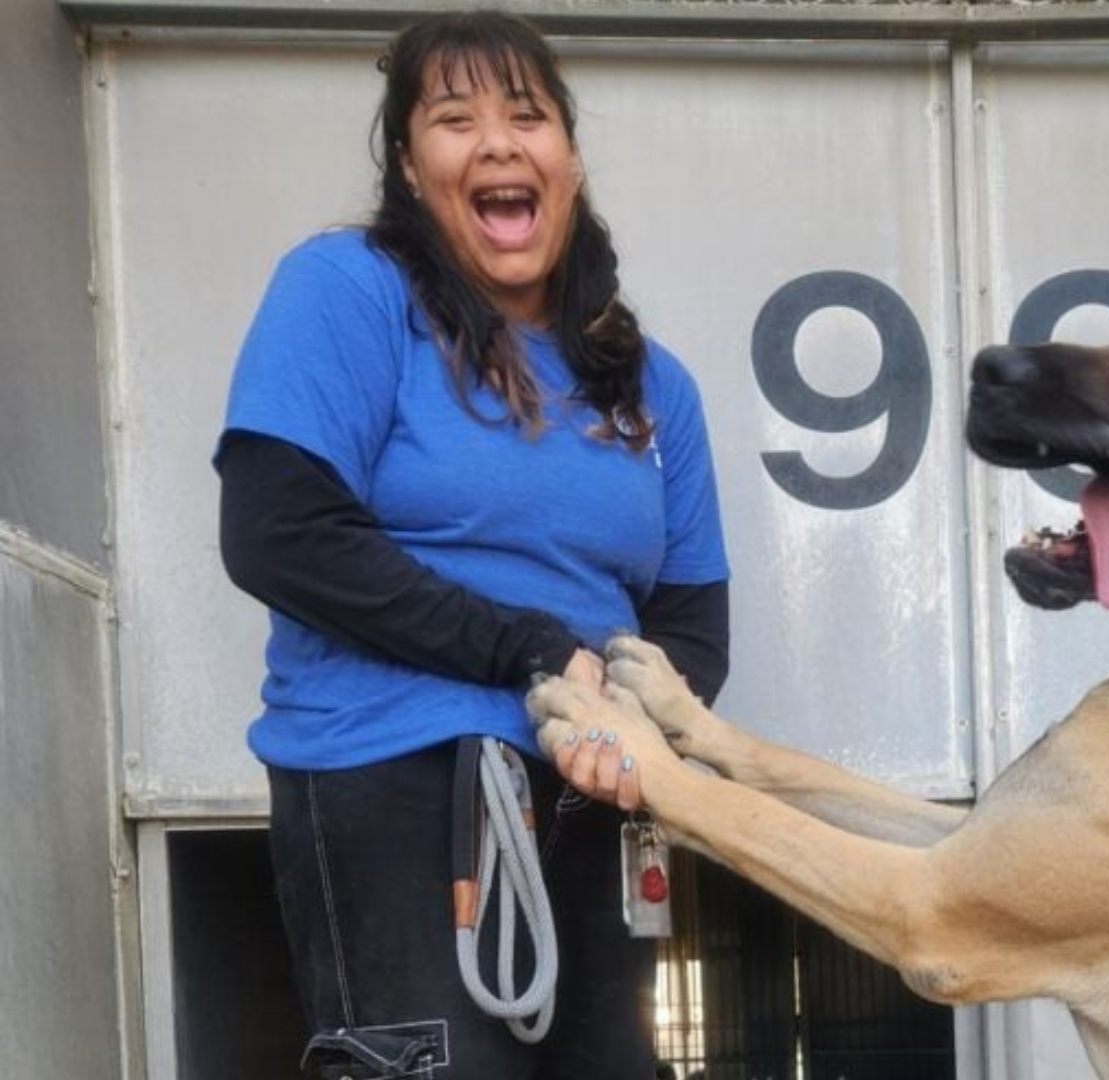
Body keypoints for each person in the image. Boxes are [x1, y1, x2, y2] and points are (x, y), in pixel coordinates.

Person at [215, 11, 729, 1079]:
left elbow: (692, 621)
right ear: (410, 166)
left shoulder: (651, 385)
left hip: (590, 796)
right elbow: (280, 534)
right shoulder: (350, 291)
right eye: (455, 119)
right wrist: (526, 650)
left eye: (526, 116)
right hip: (395, 779)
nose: (497, 143)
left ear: (570, 161)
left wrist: (620, 725)